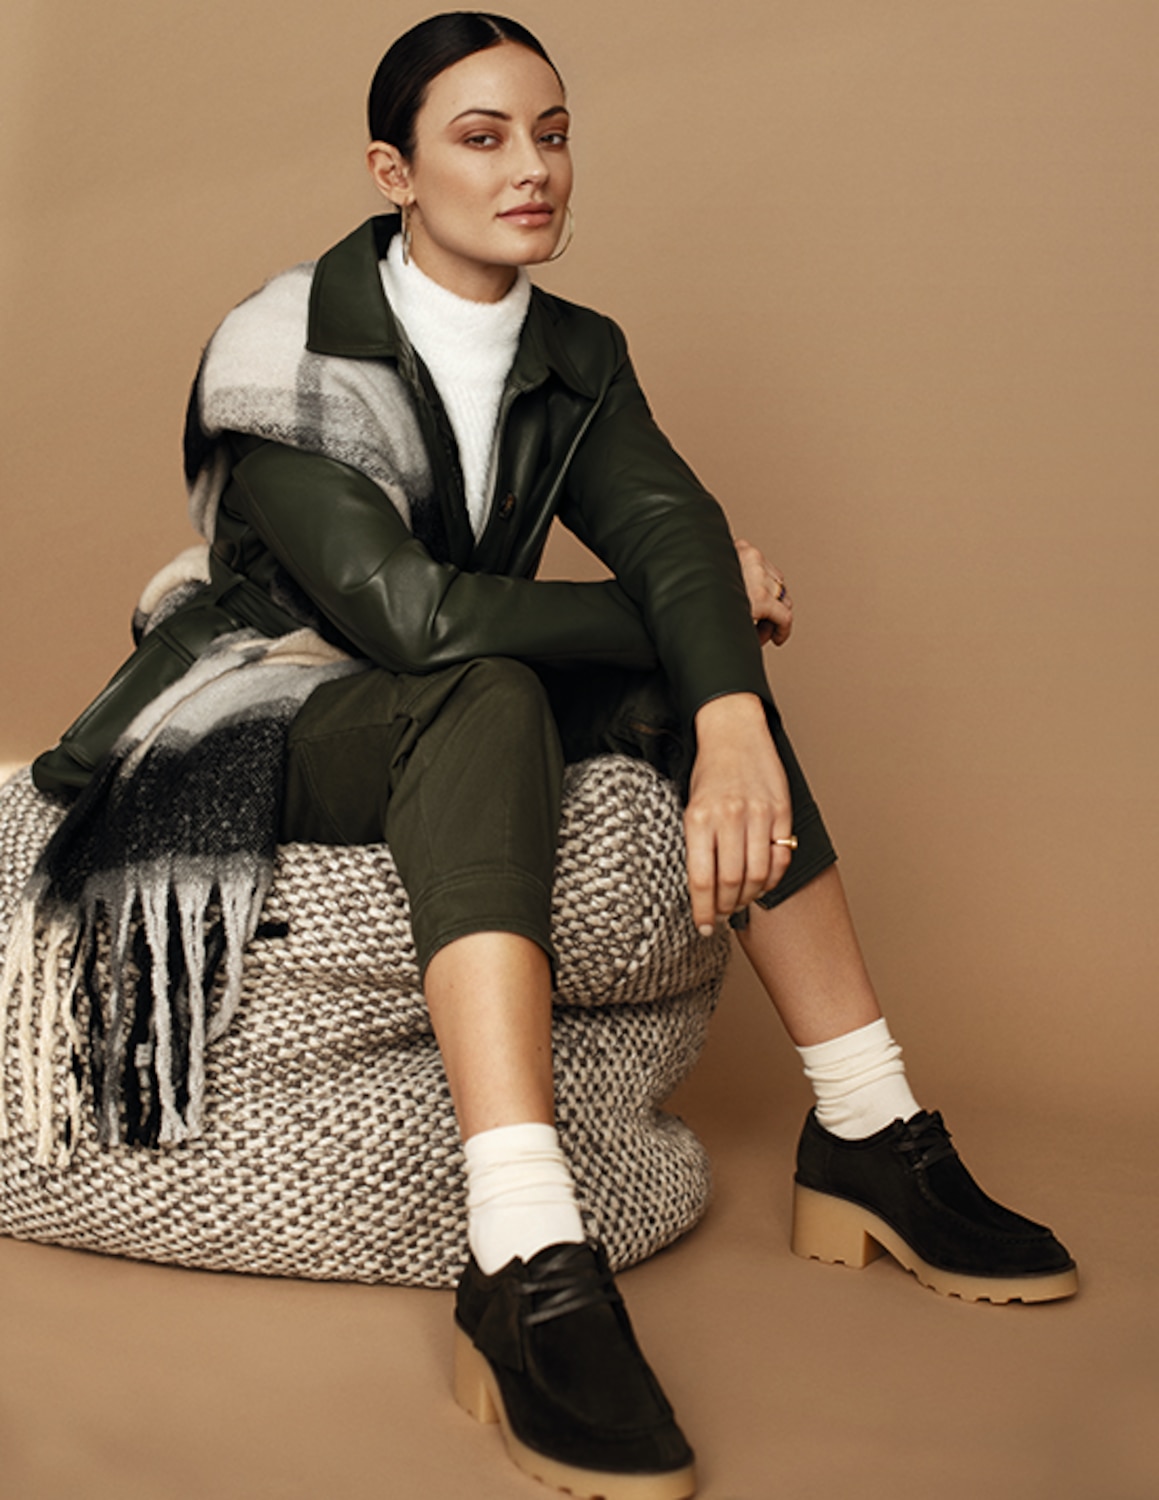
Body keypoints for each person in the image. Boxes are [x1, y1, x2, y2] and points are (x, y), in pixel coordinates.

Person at [27, 13, 1076, 1500]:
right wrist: (683, 626)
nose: (532, 167)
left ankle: (869, 1127)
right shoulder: (287, 348)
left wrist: (723, 706)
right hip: (251, 709)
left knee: (667, 684)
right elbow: (410, 616)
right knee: (494, 691)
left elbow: (670, 526)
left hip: (442, 683)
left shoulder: (574, 351)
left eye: (554, 131)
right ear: (393, 172)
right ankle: (523, 1250)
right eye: (482, 137)